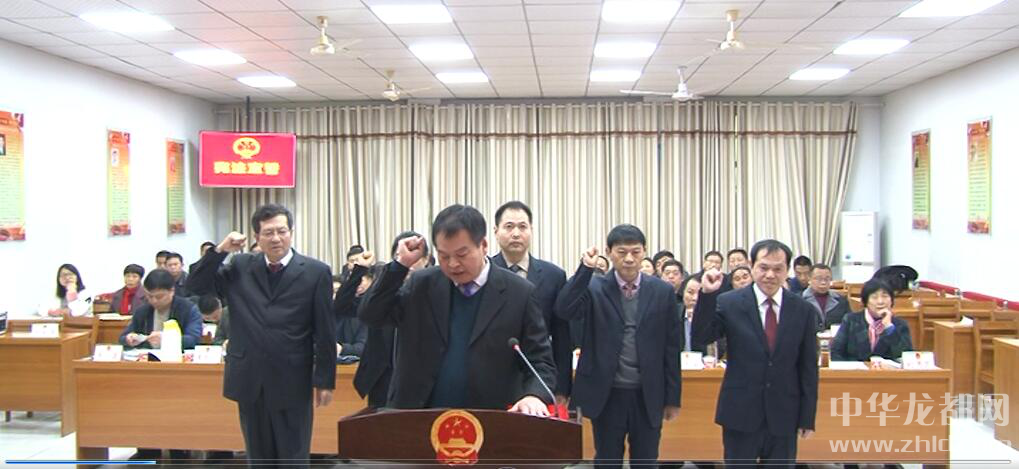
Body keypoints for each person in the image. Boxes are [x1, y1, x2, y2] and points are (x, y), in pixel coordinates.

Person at [358, 204, 555, 415]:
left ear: (483, 245)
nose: (452, 264)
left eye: (462, 254)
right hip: (418, 415)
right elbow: (371, 314)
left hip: (488, 419)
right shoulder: (421, 284)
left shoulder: (519, 293)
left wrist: (534, 395)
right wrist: (399, 266)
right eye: (444, 256)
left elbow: (540, 362)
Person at [186, 203, 336, 468]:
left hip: (292, 379)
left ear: (291, 232)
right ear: (257, 237)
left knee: (293, 457)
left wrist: (325, 380)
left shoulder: (315, 271)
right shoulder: (240, 266)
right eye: (268, 232)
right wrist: (221, 250)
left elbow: (325, 329)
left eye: (282, 231)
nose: (276, 238)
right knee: (258, 456)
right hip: (250, 377)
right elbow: (196, 285)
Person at [555, 224, 682, 469]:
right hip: (607, 392)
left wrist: (673, 398)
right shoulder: (594, 287)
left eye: (635, 252)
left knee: (646, 460)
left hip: (648, 393)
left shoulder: (662, 291)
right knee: (607, 459)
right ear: (609, 252)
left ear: (644, 251)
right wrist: (585, 269)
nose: (629, 259)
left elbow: (671, 347)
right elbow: (564, 309)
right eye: (622, 252)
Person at [692, 239, 819, 468]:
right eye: (763, 267)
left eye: (778, 269)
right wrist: (708, 294)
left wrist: (807, 416)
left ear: (787, 270)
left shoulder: (803, 310)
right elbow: (701, 336)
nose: (770, 275)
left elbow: (808, 366)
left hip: (785, 413)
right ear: (751, 265)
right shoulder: (729, 302)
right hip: (740, 411)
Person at [490, 201, 572, 405]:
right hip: (493, 378)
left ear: (531, 230)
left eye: (522, 227)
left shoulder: (554, 275)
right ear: (496, 231)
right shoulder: (485, 272)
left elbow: (561, 336)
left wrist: (561, 387)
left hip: (539, 378)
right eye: (509, 227)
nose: (516, 234)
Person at [345, 232, 430, 408]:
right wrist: (359, 269)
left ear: (426, 259)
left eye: (414, 255)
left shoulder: (434, 288)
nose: (408, 262)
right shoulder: (382, 287)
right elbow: (343, 306)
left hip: (419, 379)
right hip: (382, 377)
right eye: (400, 255)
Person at [831, 279, 913, 362]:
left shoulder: (900, 324)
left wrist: (889, 327)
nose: (880, 302)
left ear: (891, 300)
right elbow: (835, 353)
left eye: (885, 296)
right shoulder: (851, 320)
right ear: (866, 301)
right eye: (874, 297)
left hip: (887, 370)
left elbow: (906, 357)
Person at [120, 269, 203, 350]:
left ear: (172, 291)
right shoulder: (142, 311)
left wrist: (167, 339)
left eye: (159, 297)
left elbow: (193, 339)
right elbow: (122, 338)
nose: (154, 301)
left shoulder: (188, 309)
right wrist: (129, 338)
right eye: (150, 296)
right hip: (147, 356)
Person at [333, 259, 379, 362]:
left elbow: (363, 347)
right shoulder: (327, 312)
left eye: (361, 280)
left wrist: (342, 348)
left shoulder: (368, 307)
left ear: (371, 280)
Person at [802, 264, 850, 330]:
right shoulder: (800, 300)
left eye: (827, 279)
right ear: (809, 279)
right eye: (818, 278)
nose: (823, 282)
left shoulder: (841, 301)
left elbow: (849, 325)